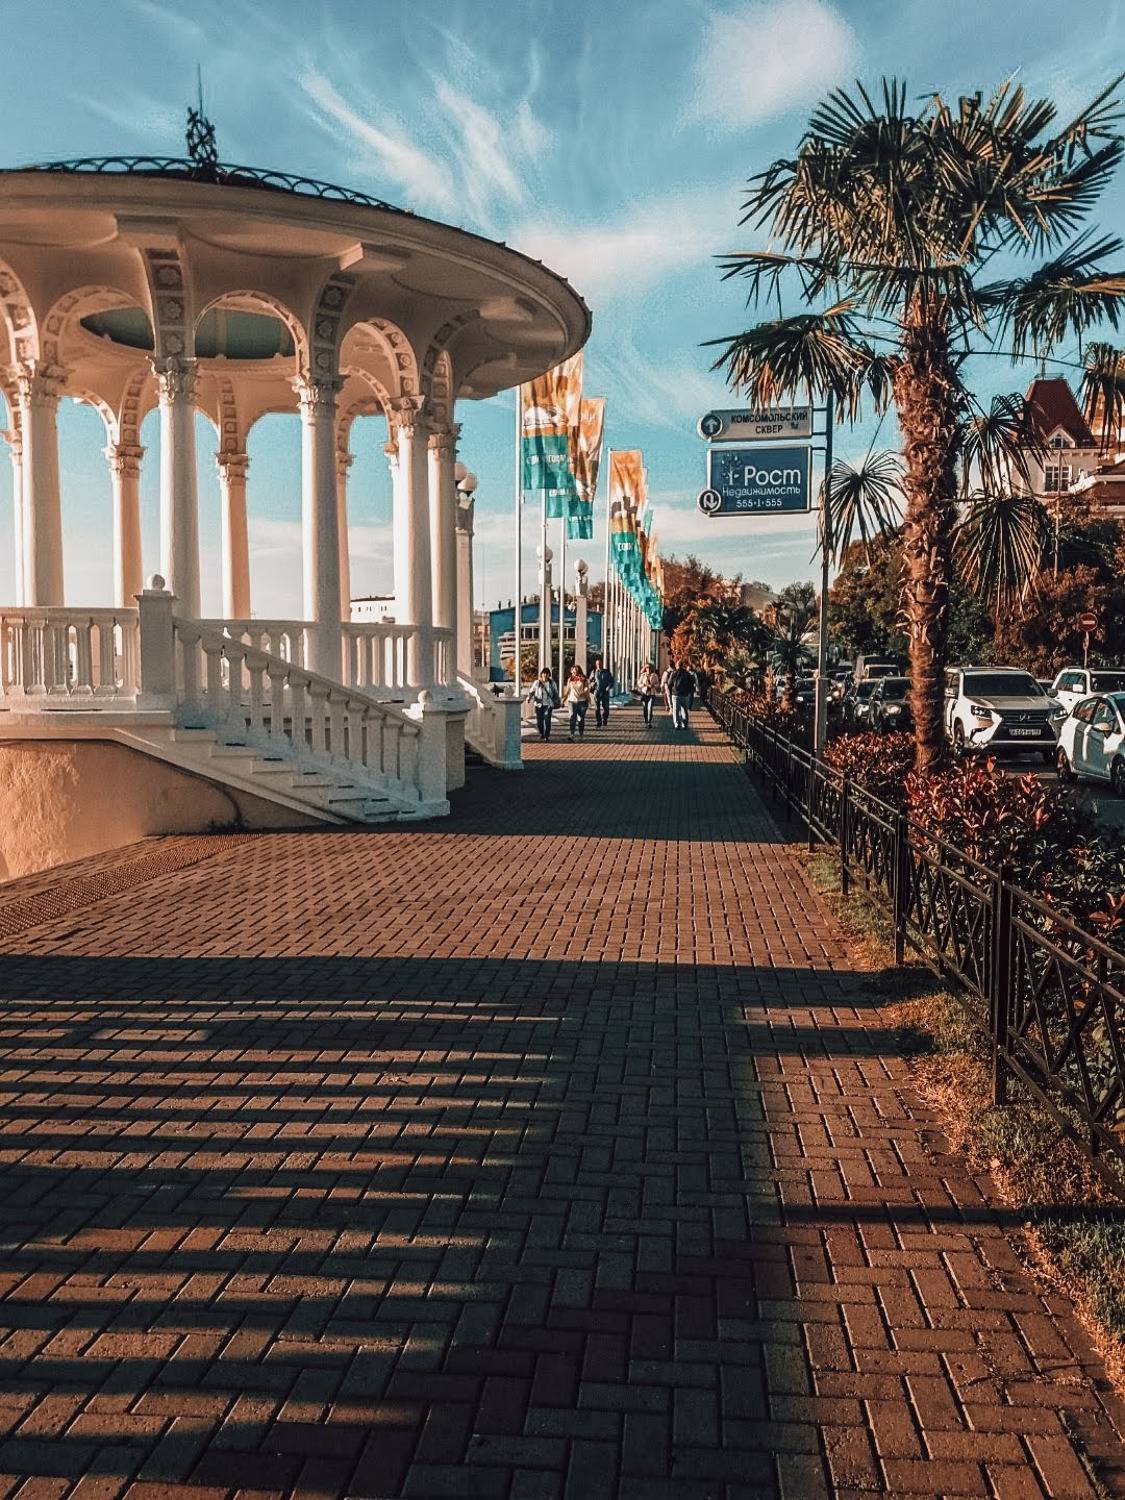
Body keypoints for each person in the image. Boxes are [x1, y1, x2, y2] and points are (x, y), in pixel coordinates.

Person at [526, 667, 560, 741]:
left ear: (549, 675)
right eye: (543, 673)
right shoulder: (537, 682)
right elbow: (532, 691)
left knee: (547, 720)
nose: (545, 675)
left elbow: (555, 693)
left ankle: (546, 736)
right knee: (539, 721)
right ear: (541, 674)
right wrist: (529, 698)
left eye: (547, 674)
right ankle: (542, 733)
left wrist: (557, 700)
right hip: (539, 704)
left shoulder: (552, 683)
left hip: (548, 704)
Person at [562, 666, 592, 739]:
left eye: (575, 670)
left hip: (582, 702)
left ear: (579, 671)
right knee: (572, 718)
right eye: (573, 670)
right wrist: (563, 700)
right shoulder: (570, 679)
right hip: (572, 701)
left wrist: (589, 700)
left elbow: (587, 690)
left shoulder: (584, 680)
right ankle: (572, 734)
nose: (574, 672)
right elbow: (567, 690)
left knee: (581, 719)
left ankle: (581, 734)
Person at [669, 662, 696, 730]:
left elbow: (669, 683)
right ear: (683, 666)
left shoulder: (673, 673)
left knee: (676, 710)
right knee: (684, 710)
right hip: (685, 695)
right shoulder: (687, 674)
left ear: (677, 666)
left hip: (676, 694)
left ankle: (677, 724)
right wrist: (688, 692)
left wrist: (672, 691)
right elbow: (691, 684)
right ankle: (685, 724)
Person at [589, 658, 615, 727]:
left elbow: (611, 681)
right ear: (596, 665)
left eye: (600, 664)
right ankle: (599, 722)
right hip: (596, 691)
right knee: (597, 708)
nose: (599, 665)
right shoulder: (593, 672)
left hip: (605, 692)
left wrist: (609, 686)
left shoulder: (607, 672)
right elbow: (590, 681)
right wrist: (591, 684)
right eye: (597, 664)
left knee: (606, 707)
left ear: (602, 664)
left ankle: (604, 719)